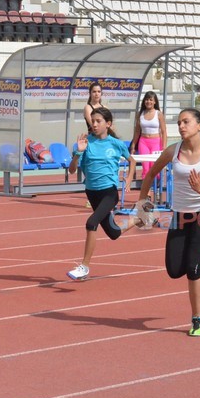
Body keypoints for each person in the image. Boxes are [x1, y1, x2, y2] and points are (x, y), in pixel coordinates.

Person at [137, 108, 200, 336]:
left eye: (186, 122)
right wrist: (142, 203)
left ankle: (197, 319)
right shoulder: (172, 151)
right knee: (174, 270)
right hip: (179, 216)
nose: (181, 126)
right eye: (179, 123)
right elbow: (150, 174)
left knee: (193, 268)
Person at [67, 107, 144, 281]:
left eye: (98, 121)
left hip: (109, 192)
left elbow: (132, 161)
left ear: (108, 124)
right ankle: (139, 219)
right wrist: (78, 153)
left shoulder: (116, 144)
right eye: (92, 121)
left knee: (91, 223)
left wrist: (129, 178)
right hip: (91, 192)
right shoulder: (85, 143)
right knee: (113, 232)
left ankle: (84, 267)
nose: (94, 124)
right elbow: (71, 170)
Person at [130, 91, 168, 178]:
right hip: (143, 142)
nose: (148, 102)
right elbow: (137, 131)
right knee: (146, 167)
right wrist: (133, 145)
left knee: (154, 166)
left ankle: (156, 183)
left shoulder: (159, 114)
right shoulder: (140, 114)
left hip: (156, 142)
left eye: (151, 100)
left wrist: (164, 147)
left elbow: (164, 131)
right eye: (147, 100)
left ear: (155, 102)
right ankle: (146, 184)